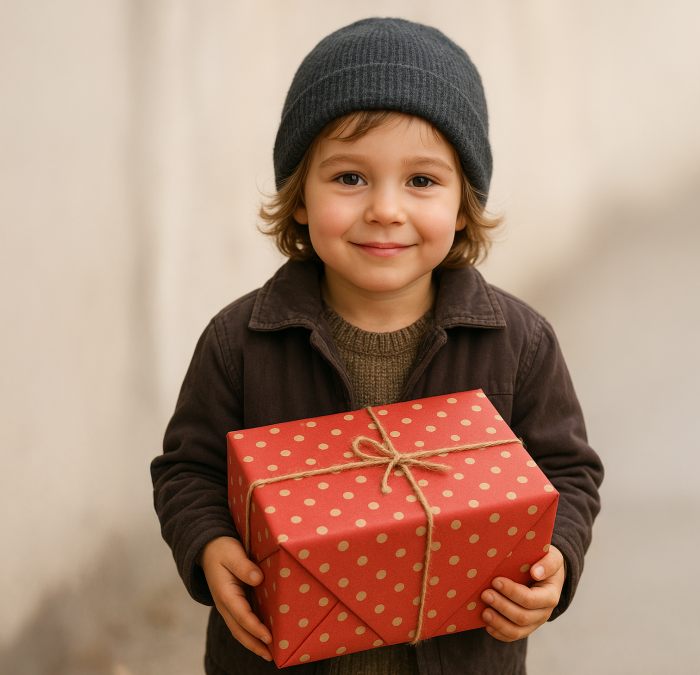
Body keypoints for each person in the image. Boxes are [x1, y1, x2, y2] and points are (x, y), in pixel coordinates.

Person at [149, 17, 603, 675]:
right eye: (350, 178)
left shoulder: (519, 344)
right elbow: (187, 470)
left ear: (463, 203)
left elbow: (569, 472)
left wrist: (556, 558)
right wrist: (209, 545)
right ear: (299, 197)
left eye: (421, 181)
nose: (385, 209)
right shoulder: (239, 340)